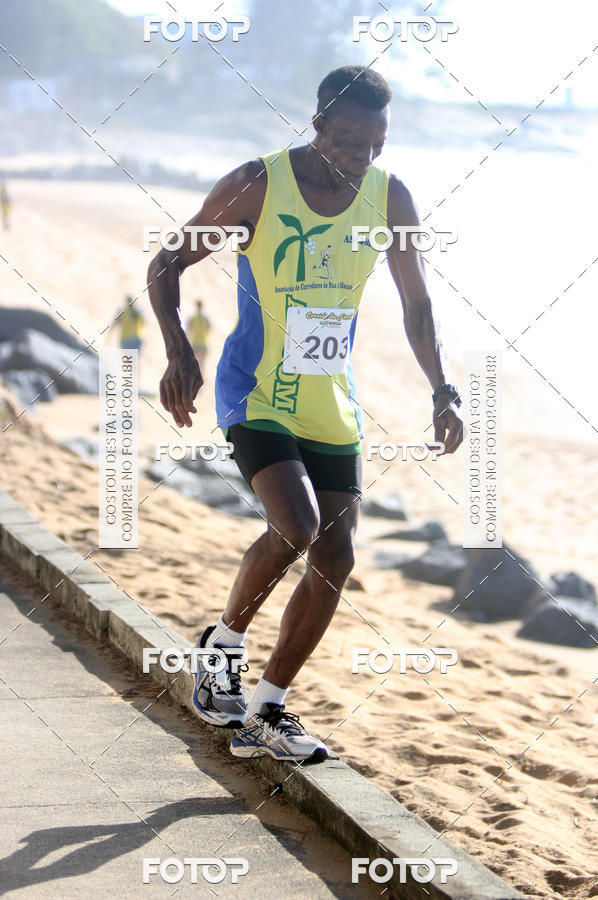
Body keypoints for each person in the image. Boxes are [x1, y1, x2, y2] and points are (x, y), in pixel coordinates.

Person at [147, 65, 463, 763]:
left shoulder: (390, 196)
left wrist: (443, 389)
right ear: (318, 125)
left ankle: (269, 709)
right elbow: (167, 264)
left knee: (337, 557)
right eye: (349, 143)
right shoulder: (258, 183)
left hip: (330, 400)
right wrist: (177, 353)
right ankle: (222, 645)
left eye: (375, 145)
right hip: (255, 389)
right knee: (296, 525)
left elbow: (417, 303)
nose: (362, 159)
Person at [187, 299, 211, 371]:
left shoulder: (192, 318)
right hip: (204, 344)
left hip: (195, 343)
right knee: (202, 366)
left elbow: (189, 331)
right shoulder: (206, 319)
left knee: (193, 366)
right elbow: (209, 330)